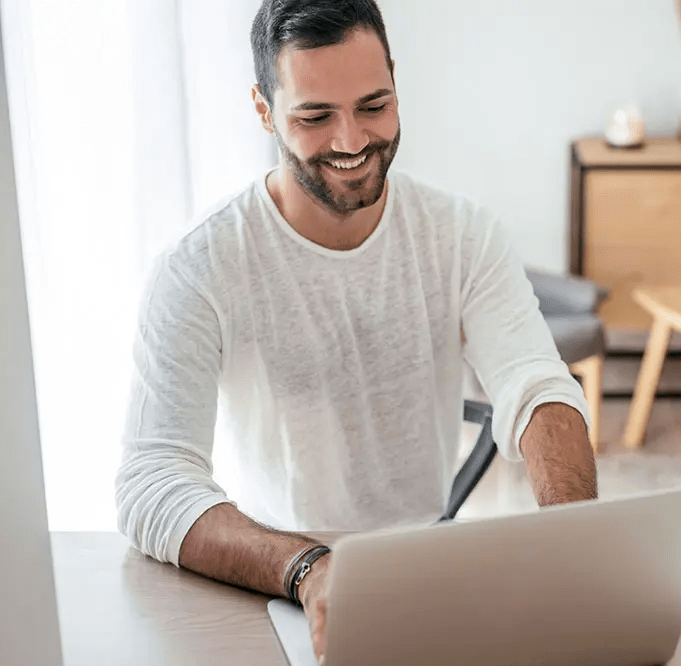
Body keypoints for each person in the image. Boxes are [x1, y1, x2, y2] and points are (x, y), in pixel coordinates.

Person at [114, 0, 597, 659]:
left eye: (374, 105)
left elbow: (537, 386)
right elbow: (151, 479)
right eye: (314, 116)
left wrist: (581, 549)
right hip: (266, 579)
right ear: (264, 111)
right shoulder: (199, 267)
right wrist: (307, 568)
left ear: (396, 80)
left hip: (424, 570)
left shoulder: (460, 233)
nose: (352, 142)